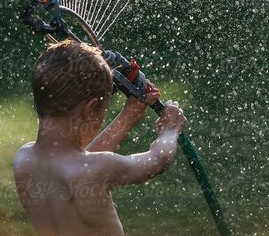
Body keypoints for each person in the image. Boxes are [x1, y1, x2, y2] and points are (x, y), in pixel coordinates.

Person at [13, 39, 186, 236]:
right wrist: (170, 129)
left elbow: (80, 162)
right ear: (90, 109)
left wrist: (128, 116)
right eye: (104, 109)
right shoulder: (94, 169)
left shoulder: (24, 160)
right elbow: (158, 160)